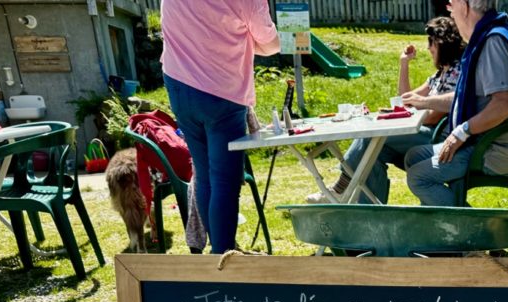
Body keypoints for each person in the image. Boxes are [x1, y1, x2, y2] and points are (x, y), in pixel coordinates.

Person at [160, 0, 279, 253]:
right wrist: (244, 39)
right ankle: (223, 258)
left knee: (204, 176)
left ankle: (219, 251)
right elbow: (271, 44)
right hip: (222, 89)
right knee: (225, 180)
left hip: (179, 86)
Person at [308, 16, 464, 204]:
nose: (428, 48)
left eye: (431, 43)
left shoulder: (457, 72)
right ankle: (373, 209)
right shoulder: (441, 73)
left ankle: (342, 187)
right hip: (424, 131)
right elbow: (405, 100)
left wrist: (418, 104)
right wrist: (404, 63)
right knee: (372, 151)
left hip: (438, 136)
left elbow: (431, 118)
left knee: (371, 138)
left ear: (441, 44)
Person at [405, 0, 508, 207]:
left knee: (419, 177)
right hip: (480, 142)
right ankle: (445, 227)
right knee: (414, 156)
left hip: (490, 150)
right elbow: (464, 98)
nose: (449, 10)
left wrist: (461, 132)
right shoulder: (485, 37)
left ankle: (475, 231)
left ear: (465, 5)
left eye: (452, 3)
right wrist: (425, 102)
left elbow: (504, 104)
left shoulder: (493, 42)